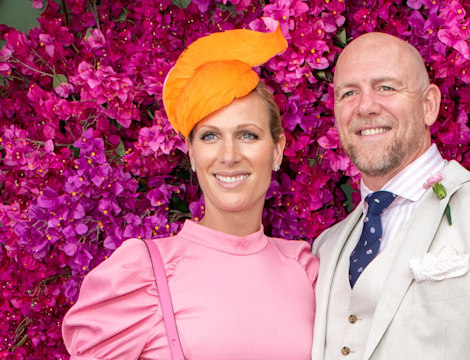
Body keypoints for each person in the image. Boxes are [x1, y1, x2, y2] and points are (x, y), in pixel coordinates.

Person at [63, 25, 318, 359]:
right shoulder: (143, 272)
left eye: (248, 135)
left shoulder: (304, 268)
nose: (229, 155)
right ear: (192, 154)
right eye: (210, 136)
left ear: (277, 150)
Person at [311, 32, 470, 359]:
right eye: (349, 92)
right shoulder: (327, 246)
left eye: (386, 87)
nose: (365, 106)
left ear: (428, 105)